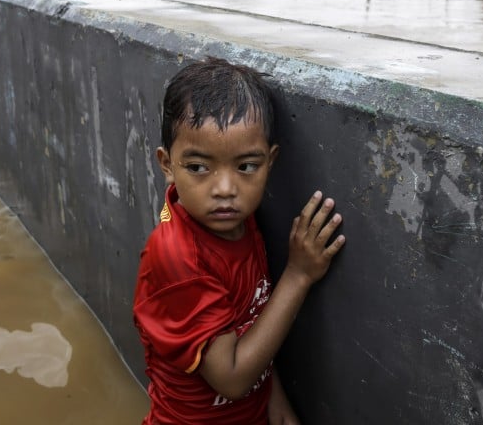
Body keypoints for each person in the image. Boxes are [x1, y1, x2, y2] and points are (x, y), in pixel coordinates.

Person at [133, 57, 346, 425]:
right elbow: (231, 378)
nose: (226, 190)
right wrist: (298, 275)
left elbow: (249, 321)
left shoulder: (241, 224)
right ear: (167, 165)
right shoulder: (179, 258)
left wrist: (273, 399)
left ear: (270, 160)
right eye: (198, 167)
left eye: (246, 166)